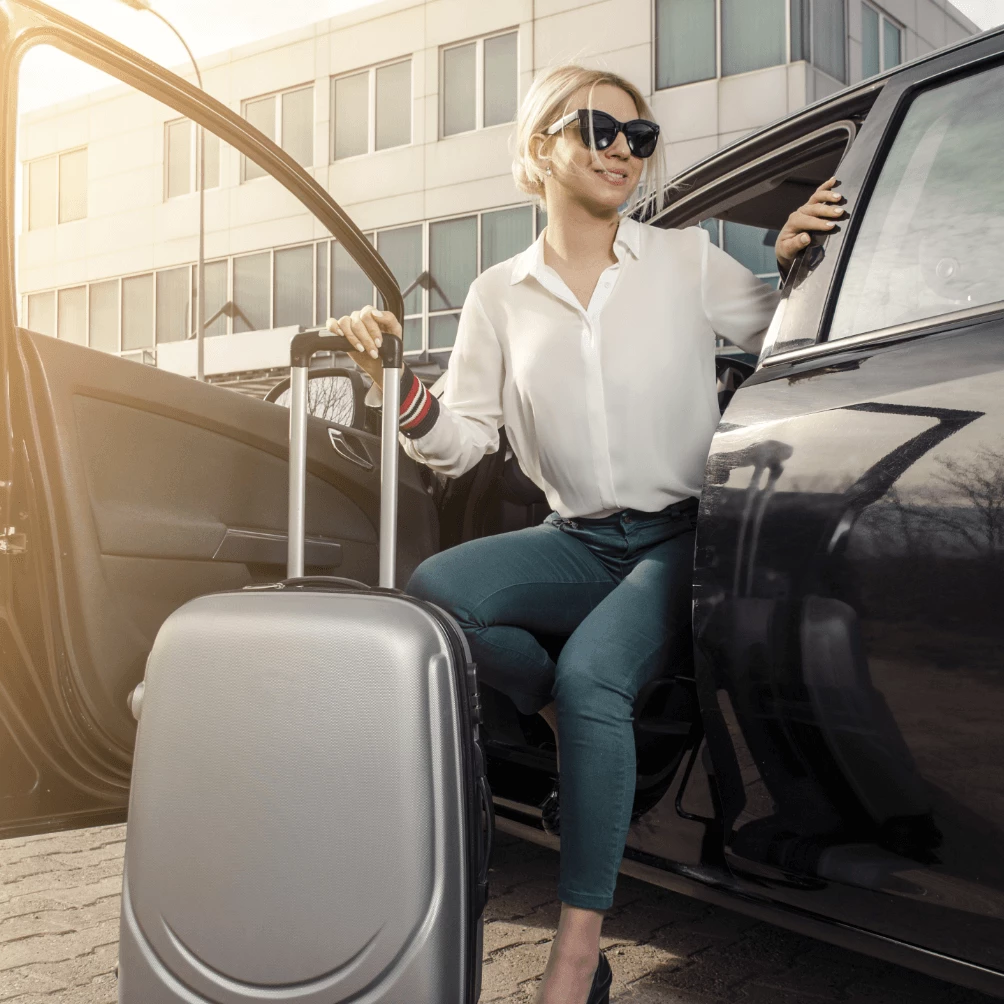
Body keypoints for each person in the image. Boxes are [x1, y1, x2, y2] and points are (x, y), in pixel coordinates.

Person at [326, 64, 847, 1004]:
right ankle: (574, 726)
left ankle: (576, 958)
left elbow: (788, 339)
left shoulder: (685, 262)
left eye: (639, 140)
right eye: (600, 128)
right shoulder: (498, 295)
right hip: (578, 541)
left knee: (591, 672)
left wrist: (792, 259)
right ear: (540, 146)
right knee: (435, 601)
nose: (622, 151)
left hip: (683, 535)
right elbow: (461, 444)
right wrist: (396, 387)